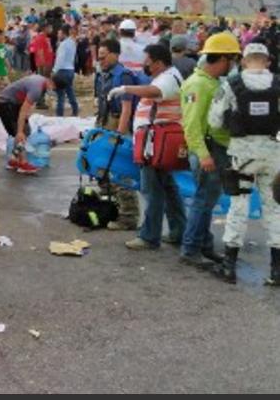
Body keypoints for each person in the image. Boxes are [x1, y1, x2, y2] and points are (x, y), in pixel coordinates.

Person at [207, 43, 280, 285]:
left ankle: (229, 267)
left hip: (243, 156)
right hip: (273, 155)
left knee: (238, 208)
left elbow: (215, 121)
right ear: (267, 61)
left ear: (245, 61)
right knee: (274, 209)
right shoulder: (278, 84)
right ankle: (277, 271)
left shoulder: (231, 84)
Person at [108, 45, 185, 251]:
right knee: (167, 188)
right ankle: (179, 231)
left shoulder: (168, 78)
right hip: (155, 141)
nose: (145, 65)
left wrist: (126, 89)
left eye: (147, 61)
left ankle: (150, 236)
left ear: (158, 62)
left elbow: (156, 92)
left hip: (155, 143)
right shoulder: (168, 75)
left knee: (152, 190)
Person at [178, 32, 241, 268]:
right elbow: (191, 125)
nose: (233, 64)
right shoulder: (198, 84)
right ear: (224, 58)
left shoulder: (212, 83)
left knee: (207, 200)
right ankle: (190, 248)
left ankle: (204, 245)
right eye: (232, 59)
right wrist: (203, 155)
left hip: (214, 149)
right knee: (203, 201)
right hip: (208, 150)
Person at [94, 39, 140, 230]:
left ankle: (128, 216)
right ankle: (110, 208)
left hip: (117, 122)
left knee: (119, 169)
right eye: (99, 58)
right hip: (104, 121)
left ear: (115, 54)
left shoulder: (124, 76)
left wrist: (119, 135)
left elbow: (126, 108)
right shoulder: (102, 75)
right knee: (100, 168)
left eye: (104, 57)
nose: (101, 61)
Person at [0, 74, 54, 174]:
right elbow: (23, 111)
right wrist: (20, 131)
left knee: (26, 130)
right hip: (5, 103)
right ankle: (22, 162)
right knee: (19, 132)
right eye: (54, 88)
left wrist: (26, 116)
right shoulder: (37, 88)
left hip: (14, 104)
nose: (52, 90)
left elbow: (27, 104)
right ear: (51, 82)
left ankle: (14, 159)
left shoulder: (41, 82)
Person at [52, 24, 79, 117]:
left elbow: (60, 59)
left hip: (62, 71)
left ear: (63, 33)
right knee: (70, 91)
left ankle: (59, 116)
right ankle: (75, 109)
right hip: (70, 70)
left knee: (60, 95)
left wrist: (54, 71)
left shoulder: (63, 44)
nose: (58, 35)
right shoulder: (72, 42)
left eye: (59, 33)